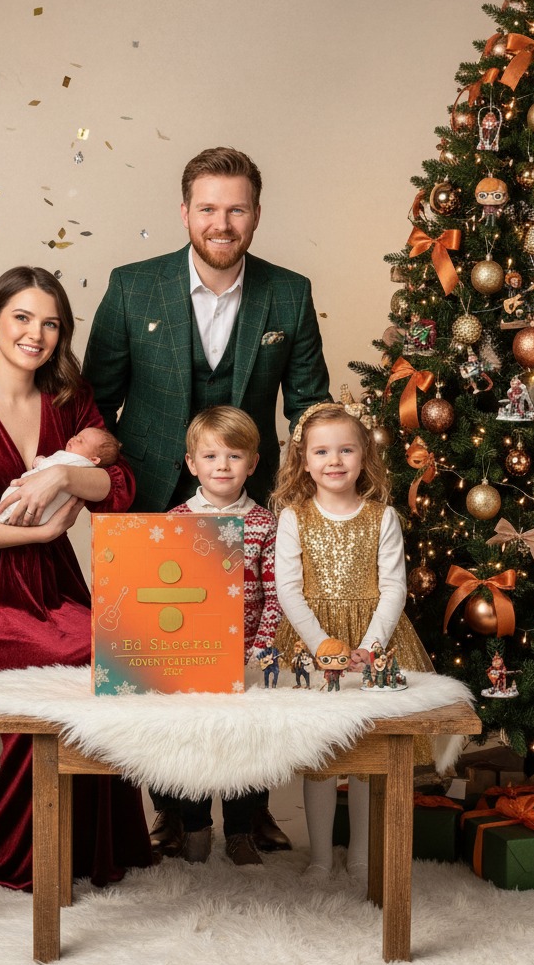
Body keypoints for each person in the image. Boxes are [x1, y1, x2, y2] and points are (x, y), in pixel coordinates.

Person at [0, 265, 149, 887]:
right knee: (76, 653)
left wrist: (64, 475)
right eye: (22, 318)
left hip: (55, 585)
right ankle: (23, 840)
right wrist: (36, 532)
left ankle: (78, 835)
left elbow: (118, 489)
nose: (35, 335)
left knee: (121, 652)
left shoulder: (72, 405)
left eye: (51, 324)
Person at [82, 145, 330, 513]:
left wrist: (323, 489)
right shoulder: (130, 287)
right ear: (185, 213)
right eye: (207, 209)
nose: (222, 225)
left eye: (237, 210)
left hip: (253, 498)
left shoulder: (290, 293)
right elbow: (94, 404)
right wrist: (107, 481)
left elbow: (309, 408)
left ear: (256, 215)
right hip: (143, 493)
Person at [269, 403, 435, 882]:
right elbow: (288, 590)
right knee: (321, 753)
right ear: (303, 460)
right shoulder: (293, 517)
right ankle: (321, 857)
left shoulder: (381, 517)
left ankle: (361, 854)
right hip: (309, 644)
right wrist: (321, 643)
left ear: (365, 457)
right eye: (322, 451)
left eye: (346, 449)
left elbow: (394, 587)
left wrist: (370, 645)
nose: (334, 460)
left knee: (367, 749)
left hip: (373, 640)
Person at [159, 406, 289, 866]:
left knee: (244, 745)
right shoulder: (173, 522)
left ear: (252, 464)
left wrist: (257, 653)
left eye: (234, 456)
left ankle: (240, 832)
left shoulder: (264, 524)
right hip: (190, 658)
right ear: (192, 463)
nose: (222, 466)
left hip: (244, 659)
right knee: (194, 742)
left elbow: (276, 597)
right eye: (210, 456)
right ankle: (195, 828)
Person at [0, 426, 122, 525]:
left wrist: (40, 461)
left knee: (16, 500)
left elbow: (51, 467)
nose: (74, 439)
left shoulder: (76, 462)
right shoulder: (83, 470)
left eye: (81, 441)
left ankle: (3, 514)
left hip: (35, 504)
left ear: (94, 460)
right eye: (76, 435)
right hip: (44, 518)